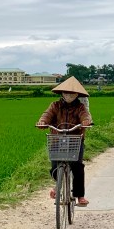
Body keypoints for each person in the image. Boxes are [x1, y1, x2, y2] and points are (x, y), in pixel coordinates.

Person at [36, 76, 93, 206]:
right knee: (55, 166)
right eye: (66, 93)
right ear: (62, 93)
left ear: (77, 94)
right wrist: (43, 122)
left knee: (77, 166)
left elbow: (85, 115)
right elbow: (47, 115)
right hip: (57, 140)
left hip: (75, 140)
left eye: (72, 93)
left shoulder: (80, 107)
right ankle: (58, 185)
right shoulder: (55, 105)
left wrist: (85, 121)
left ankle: (80, 196)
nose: (69, 95)